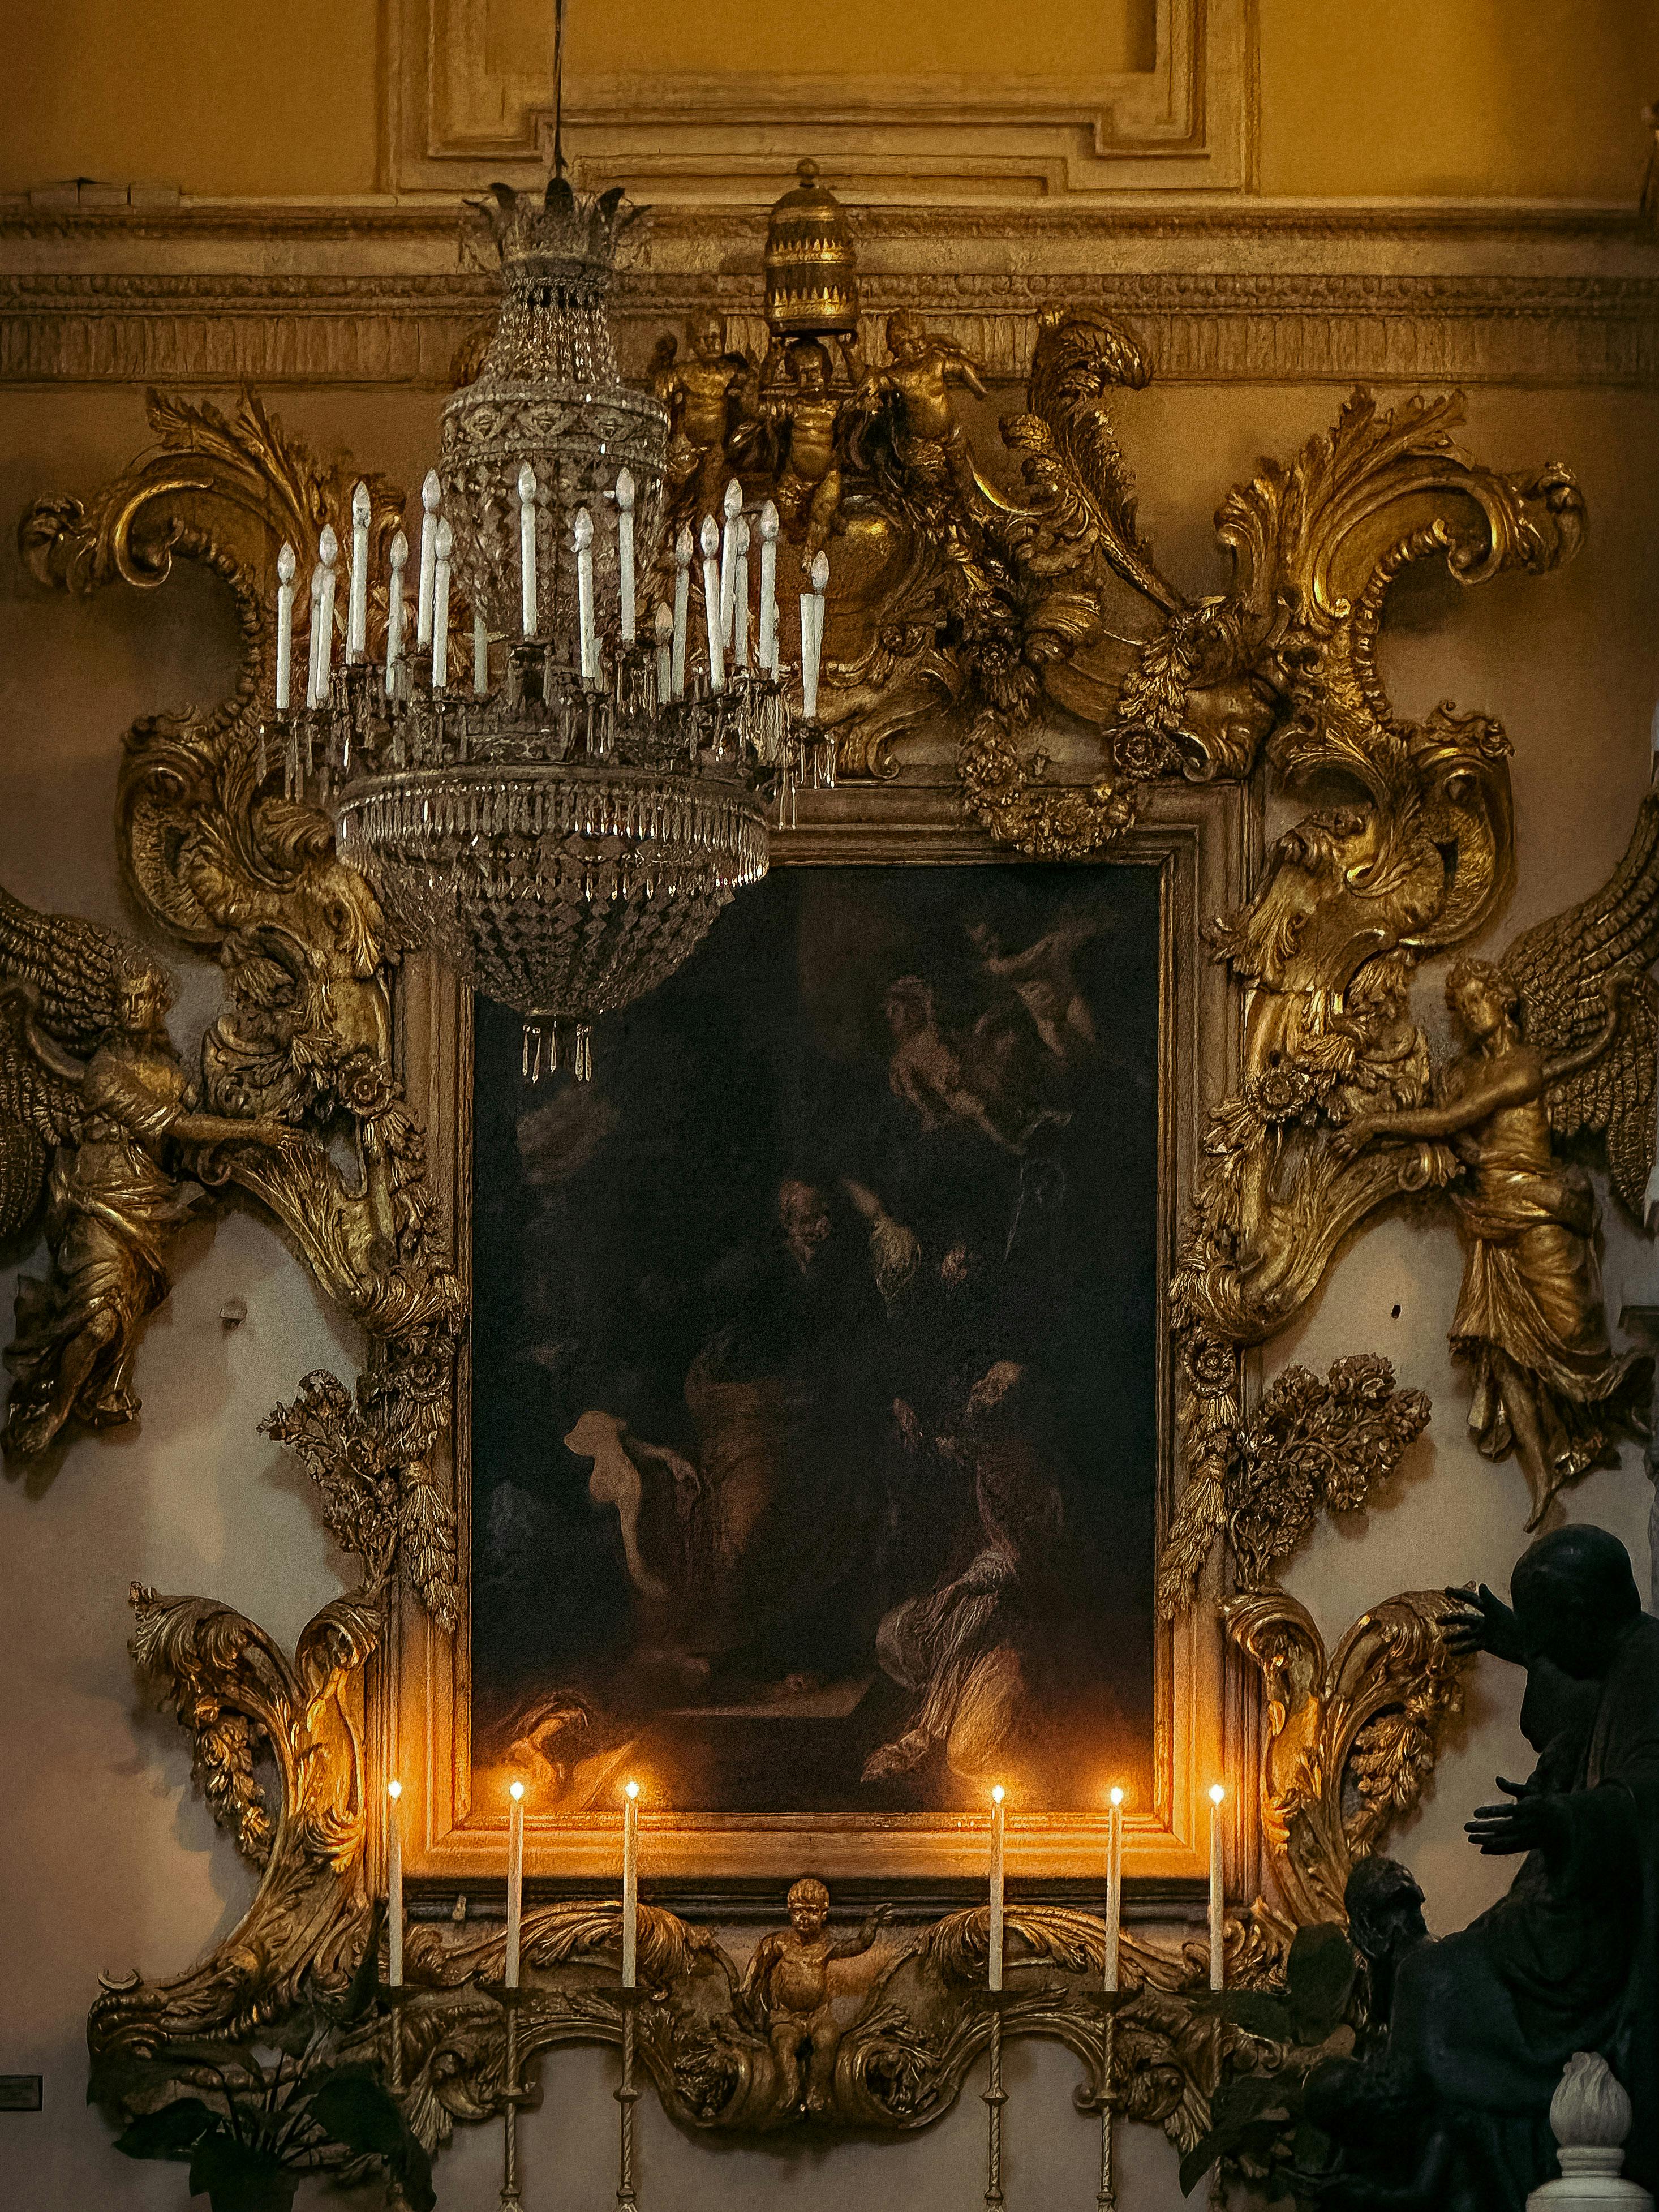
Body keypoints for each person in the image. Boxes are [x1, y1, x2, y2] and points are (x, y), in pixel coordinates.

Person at [1380, 1527, 1659, 2206]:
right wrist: (1519, 1642)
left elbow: (1647, 1800)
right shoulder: (1617, 1658)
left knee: (1430, 1979)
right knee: (1428, 1971)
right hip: (1568, 1914)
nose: (1542, 1650)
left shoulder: (1649, 1669)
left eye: (1545, 1629)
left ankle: (1453, 2173)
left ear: (1577, 1618)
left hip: (1602, 1949)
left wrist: (1559, 1821)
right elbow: (1578, 1686)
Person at [1342, 961, 1651, 1527]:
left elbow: (1456, 1116)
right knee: (1497, 1346)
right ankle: (1541, 1474)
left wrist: (1376, 1124)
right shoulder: (1467, 1071)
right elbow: (1457, 1122)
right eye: (1459, 1007)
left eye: (1475, 999)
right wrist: (1474, 1154)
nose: (1467, 1014)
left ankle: (1625, 1396)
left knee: (1573, 1336)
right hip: (1490, 1216)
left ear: (1502, 999)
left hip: (1537, 1215)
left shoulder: (1522, 1067)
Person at [740, 1878, 893, 2114]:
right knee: (784, 2044)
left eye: (811, 1911)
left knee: (827, 2040)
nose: (804, 1918)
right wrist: (748, 1988)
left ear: (823, 1915)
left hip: (818, 2016)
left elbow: (858, 1945)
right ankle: (789, 2090)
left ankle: (817, 2090)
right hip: (787, 2016)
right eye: (798, 1911)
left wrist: (871, 1924)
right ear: (790, 1913)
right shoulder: (780, 1943)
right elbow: (758, 1965)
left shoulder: (826, 1945)